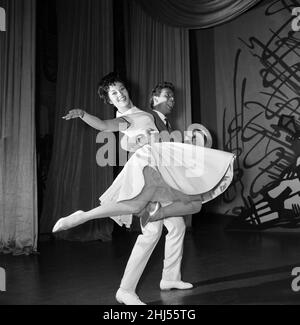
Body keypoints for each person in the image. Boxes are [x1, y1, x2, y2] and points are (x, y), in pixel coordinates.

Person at [52, 72, 235, 302]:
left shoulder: (141, 113)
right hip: (146, 167)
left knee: (176, 226)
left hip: (160, 166)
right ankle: (123, 285)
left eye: (121, 89)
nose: (120, 95)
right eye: (113, 94)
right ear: (109, 100)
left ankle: (169, 278)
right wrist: (83, 114)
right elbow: (104, 125)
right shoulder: (125, 118)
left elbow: (139, 139)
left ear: (127, 89)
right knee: (150, 226)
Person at [115, 82, 193, 305]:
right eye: (167, 96)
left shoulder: (167, 123)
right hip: (147, 184)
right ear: (154, 98)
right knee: (151, 234)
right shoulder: (146, 117)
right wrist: (137, 141)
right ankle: (125, 289)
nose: (172, 100)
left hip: (162, 186)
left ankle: (169, 278)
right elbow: (126, 140)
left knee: (177, 226)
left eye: (173, 97)